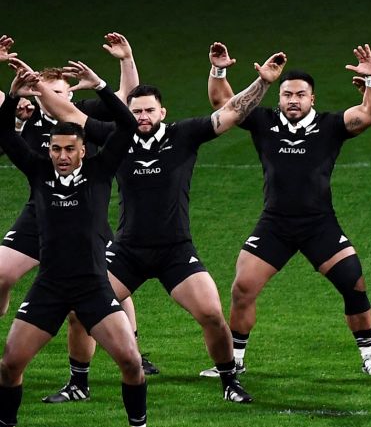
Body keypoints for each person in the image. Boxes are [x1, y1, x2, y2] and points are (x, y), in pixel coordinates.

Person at [35, 52, 289, 405]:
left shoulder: (184, 135)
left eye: (149, 110)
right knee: (80, 311)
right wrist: (34, 84)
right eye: (136, 111)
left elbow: (232, 112)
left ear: (162, 112)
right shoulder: (115, 136)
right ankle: (78, 383)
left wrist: (263, 82)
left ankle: (230, 381)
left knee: (213, 314)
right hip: (127, 251)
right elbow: (67, 113)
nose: (142, 117)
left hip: (175, 250)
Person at [0, 59, 159, 427]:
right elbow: (3, 133)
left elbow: (125, 127)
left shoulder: (101, 171)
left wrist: (102, 86)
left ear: (83, 150)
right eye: (56, 149)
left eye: (70, 149)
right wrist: (14, 96)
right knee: (10, 364)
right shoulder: (39, 172)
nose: (62, 156)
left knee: (130, 361)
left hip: (92, 286)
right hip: (49, 287)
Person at [206, 43, 371, 377]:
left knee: (354, 283)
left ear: (312, 99)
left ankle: (370, 357)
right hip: (275, 225)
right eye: (287, 94)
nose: (293, 100)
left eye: (300, 95)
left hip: (319, 225)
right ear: (279, 98)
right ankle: (234, 363)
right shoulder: (263, 122)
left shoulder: (331, 125)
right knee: (242, 288)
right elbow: (223, 104)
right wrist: (219, 70)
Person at [0, 34, 147, 366]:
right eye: (43, 90)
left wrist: (125, 59)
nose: (47, 97)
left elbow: (126, 102)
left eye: (57, 92)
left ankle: (132, 345)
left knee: (111, 283)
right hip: (38, 216)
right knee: (1, 275)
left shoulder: (83, 115)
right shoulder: (29, 120)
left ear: (69, 95)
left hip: (85, 218)